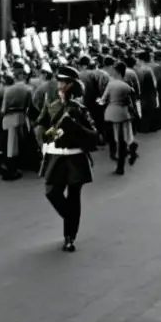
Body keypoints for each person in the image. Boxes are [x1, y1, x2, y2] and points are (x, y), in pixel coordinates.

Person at [35, 65, 100, 252]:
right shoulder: (51, 105)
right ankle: (70, 219)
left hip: (74, 158)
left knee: (73, 198)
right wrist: (42, 137)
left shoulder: (79, 109)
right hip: (55, 156)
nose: (60, 85)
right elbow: (40, 123)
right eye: (60, 82)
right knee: (51, 192)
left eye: (64, 82)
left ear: (73, 85)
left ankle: (69, 237)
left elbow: (95, 135)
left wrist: (75, 127)